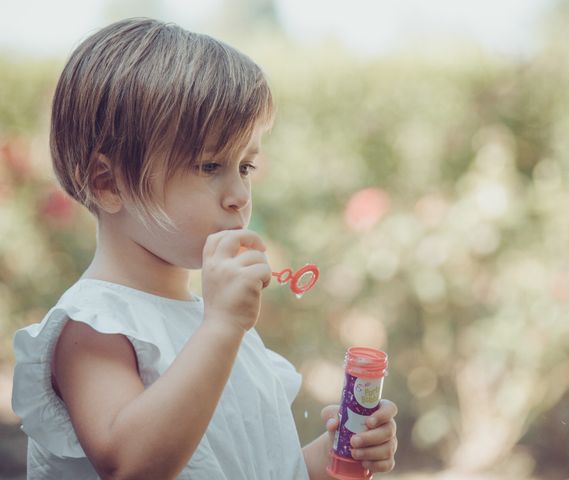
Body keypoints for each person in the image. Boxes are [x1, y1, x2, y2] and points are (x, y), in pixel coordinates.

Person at [11, 17, 398, 480]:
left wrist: (340, 454)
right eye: (210, 164)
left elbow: (263, 470)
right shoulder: (94, 326)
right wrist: (221, 327)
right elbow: (129, 465)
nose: (238, 194)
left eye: (246, 165)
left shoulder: (218, 327)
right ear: (108, 182)